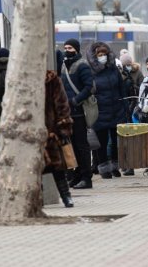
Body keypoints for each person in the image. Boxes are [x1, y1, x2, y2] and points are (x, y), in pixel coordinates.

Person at [86, 42, 126, 179]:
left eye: (104, 54)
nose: (102, 57)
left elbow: (121, 88)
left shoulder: (113, 69)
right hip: (99, 110)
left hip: (116, 109)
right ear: (94, 56)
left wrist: (124, 105)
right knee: (101, 142)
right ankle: (103, 168)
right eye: (99, 55)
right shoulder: (90, 71)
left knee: (116, 141)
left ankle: (115, 166)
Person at [59, 39, 95, 189]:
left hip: (78, 111)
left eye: (70, 48)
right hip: (67, 112)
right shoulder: (64, 65)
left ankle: (86, 177)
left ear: (76, 49)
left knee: (81, 146)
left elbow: (89, 87)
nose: (67, 50)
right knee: (71, 145)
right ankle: (77, 175)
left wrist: (75, 101)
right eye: (66, 47)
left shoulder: (82, 65)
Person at [43, 70, 75, 208]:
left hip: (51, 132)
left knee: (59, 168)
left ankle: (66, 196)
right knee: (33, 170)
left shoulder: (51, 80)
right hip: (31, 134)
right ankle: (36, 199)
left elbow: (62, 104)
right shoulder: (22, 79)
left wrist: (63, 127)